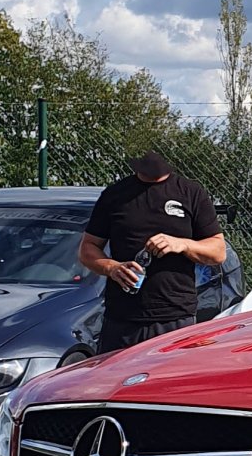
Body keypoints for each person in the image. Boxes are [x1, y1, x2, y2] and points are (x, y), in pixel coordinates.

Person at [78, 150, 226, 353]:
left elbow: (218, 251)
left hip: (175, 318)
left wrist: (183, 244)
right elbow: (87, 248)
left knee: (171, 375)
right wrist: (112, 268)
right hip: (122, 319)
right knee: (117, 375)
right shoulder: (115, 195)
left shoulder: (190, 192)